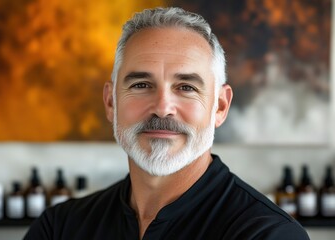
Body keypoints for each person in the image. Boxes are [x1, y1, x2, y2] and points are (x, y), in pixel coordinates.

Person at [24, 7, 309, 240]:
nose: (162, 107)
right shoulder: (60, 228)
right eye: (142, 84)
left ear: (220, 107)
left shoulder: (268, 234)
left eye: (186, 87)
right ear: (111, 102)